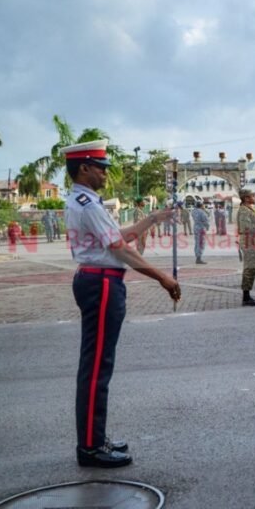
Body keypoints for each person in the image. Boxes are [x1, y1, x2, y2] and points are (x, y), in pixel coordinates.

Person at [62, 140, 180, 468]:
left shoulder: (85, 201)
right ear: (83, 168)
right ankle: (89, 447)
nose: (104, 172)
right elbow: (121, 250)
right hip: (101, 284)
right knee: (97, 368)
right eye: (99, 167)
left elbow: (120, 236)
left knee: (99, 365)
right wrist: (163, 278)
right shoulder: (88, 204)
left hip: (100, 281)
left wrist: (154, 217)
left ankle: (94, 438)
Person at [236, 188, 255, 306]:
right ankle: (246, 297)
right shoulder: (244, 211)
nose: (254, 197)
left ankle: (247, 295)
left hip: (252, 242)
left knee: (252, 268)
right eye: (252, 195)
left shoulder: (249, 209)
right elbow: (246, 228)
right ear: (246, 198)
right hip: (248, 242)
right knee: (249, 268)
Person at [192, 199, 210, 264]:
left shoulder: (193, 211)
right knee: (201, 243)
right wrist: (207, 227)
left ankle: (197, 256)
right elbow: (206, 220)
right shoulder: (202, 212)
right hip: (201, 229)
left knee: (197, 243)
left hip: (195, 228)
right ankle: (198, 258)